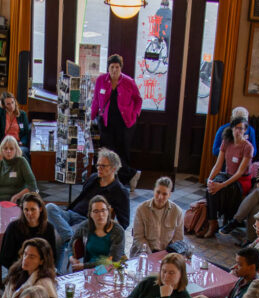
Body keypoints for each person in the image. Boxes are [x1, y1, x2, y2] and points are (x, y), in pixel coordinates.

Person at [45, 149, 130, 266]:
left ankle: (58, 271)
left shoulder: (120, 191)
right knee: (49, 207)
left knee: (58, 238)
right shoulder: (94, 178)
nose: (99, 168)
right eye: (98, 165)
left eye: (103, 166)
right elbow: (81, 197)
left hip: (87, 221)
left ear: (114, 169)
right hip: (71, 213)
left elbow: (124, 222)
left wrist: (105, 228)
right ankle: (69, 236)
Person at [90, 54, 143, 187]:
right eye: (112, 67)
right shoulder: (101, 80)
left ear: (121, 68)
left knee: (122, 152)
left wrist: (136, 114)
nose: (114, 70)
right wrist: (90, 117)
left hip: (124, 123)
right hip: (106, 122)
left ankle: (125, 179)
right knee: (108, 152)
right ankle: (128, 174)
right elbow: (96, 101)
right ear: (108, 68)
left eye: (117, 67)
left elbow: (138, 100)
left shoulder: (129, 82)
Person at [203, 116, 253, 238]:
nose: (238, 131)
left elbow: (240, 172)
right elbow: (218, 164)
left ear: (245, 130)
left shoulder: (248, 147)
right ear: (231, 128)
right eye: (236, 128)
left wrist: (221, 185)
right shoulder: (226, 142)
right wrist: (210, 179)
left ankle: (227, 219)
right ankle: (212, 222)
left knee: (223, 189)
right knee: (211, 188)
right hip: (227, 175)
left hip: (241, 180)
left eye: (241, 129)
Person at [0, 193, 57, 272]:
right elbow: (5, 258)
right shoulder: (13, 228)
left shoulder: (48, 228)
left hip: (41, 270)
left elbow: (52, 255)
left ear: (40, 209)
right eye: (26, 209)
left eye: (33, 209)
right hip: (19, 270)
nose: (29, 213)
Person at [67, 195, 126, 272]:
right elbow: (71, 244)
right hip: (88, 271)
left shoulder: (117, 231)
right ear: (90, 214)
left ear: (108, 211)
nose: (100, 214)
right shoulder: (85, 226)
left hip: (109, 270)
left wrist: (85, 266)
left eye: (103, 210)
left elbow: (112, 260)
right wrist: (71, 258)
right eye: (96, 211)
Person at [131, 177, 184, 253]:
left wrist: (166, 254)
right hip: (144, 252)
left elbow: (178, 239)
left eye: (164, 194)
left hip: (166, 253)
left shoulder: (177, 212)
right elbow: (138, 238)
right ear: (154, 191)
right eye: (158, 192)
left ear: (169, 195)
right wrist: (151, 255)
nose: (160, 197)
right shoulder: (141, 209)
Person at [0, 135, 38, 203]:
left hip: (17, 200)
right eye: (5, 148)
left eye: (11, 148)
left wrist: (17, 196)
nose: (8, 151)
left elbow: (33, 186)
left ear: (16, 150)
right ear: (1, 150)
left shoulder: (21, 161)